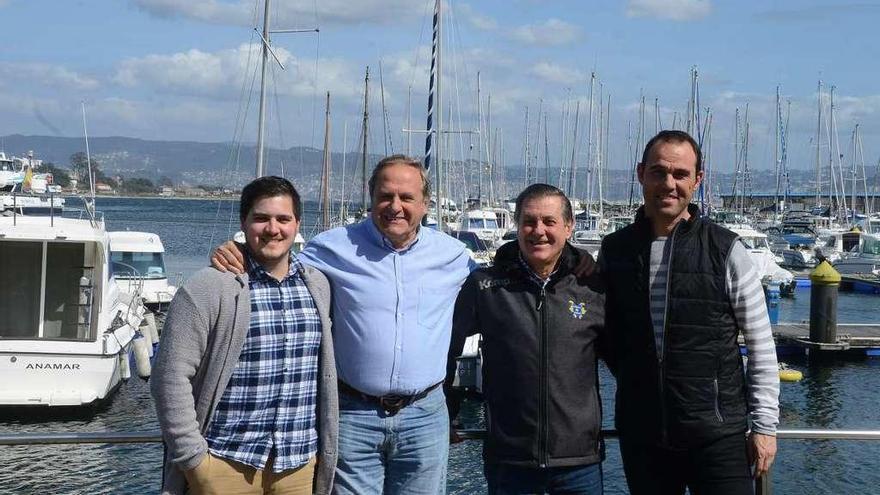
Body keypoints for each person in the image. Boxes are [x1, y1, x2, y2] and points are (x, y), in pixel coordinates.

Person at [211, 155, 477, 494]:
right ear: (371, 198)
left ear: (425, 203)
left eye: (406, 197)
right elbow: (277, 264)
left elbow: (501, 282)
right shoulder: (331, 247)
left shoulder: (454, 255)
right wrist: (236, 252)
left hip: (424, 417)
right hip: (353, 415)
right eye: (385, 196)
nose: (395, 206)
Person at [599, 130, 779, 494]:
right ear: (640, 174)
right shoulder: (614, 251)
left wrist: (764, 428)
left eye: (680, 174)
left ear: (698, 180)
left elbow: (761, 347)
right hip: (643, 436)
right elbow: (609, 338)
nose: (669, 183)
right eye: (658, 172)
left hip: (717, 435)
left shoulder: (726, 249)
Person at [151, 176, 338, 495]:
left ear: (297, 224)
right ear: (243, 222)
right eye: (261, 218)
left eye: (283, 219)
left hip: (298, 466)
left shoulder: (317, 286)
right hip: (225, 463)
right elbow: (169, 377)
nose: (273, 228)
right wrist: (195, 461)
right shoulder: (210, 287)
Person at [446, 183, 606, 495]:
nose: (538, 231)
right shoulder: (485, 287)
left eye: (549, 221)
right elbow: (447, 350)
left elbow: (624, 360)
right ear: (517, 226)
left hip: (579, 462)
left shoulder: (593, 288)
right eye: (529, 222)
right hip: (510, 462)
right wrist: (447, 413)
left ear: (569, 227)